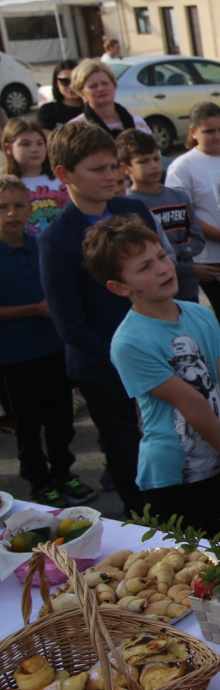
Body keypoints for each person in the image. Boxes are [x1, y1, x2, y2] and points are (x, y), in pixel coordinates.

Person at [39, 122, 167, 517]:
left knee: (168, 434)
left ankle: (177, 506)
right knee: (125, 444)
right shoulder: (57, 240)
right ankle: (142, 516)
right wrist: (126, 360)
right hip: (103, 366)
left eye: (114, 166)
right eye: (98, 169)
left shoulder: (133, 209)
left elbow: (160, 277)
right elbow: (69, 324)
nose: (111, 175)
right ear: (64, 175)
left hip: (158, 348)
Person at [87, 214, 220, 537]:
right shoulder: (129, 341)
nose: (162, 268)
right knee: (186, 573)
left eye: (161, 256)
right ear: (119, 287)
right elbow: (194, 406)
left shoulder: (200, 314)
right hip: (173, 477)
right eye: (144, 267)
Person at [0, 175, 89, 507]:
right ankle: (39, 481)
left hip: (54, 347)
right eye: (3, 207)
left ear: (30, 207)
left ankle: (64, 471)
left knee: (60, 417)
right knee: (27, 423)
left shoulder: (41, 244)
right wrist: (33, 309)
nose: (12, 213)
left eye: (19, 205)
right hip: (13, 355)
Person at [165, 102, 220, 371]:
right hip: (213, 259)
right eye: (208, 131)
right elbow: (184, 216)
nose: (217, 136)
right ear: (193, 132)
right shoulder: (183, 167)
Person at [118, 129, 207, 305]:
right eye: (143, 161)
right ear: (126, 168)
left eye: (156, 158)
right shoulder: (127, 206)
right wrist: (185, 267)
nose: (153, 166)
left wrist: (172, 251)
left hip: (187, 289)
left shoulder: (179, 197)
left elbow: (197, 240)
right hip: (151, 294)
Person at [2, 118, 68, 236]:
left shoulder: (63, 177)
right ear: (8, 148)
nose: (34, 149)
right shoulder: (4, 186)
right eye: (25, 144)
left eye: (40, 143)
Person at [68, 60, 151, 137]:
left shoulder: (138, 123)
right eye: (93, 86)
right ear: (82, 93)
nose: (101, 89)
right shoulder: (76, 129)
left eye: (105, 83)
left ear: (114, 85)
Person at [37, 60, 84, 133]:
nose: (70, 86)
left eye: (75, 80)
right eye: (65, 81)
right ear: (56, 83)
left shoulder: (92, 109)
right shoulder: (48, 111)